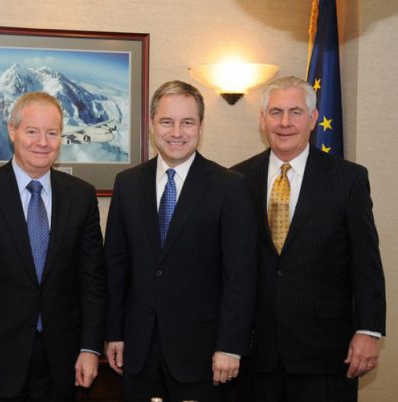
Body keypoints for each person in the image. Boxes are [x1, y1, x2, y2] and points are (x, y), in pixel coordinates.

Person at [232, 75, 386, 402]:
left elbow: (367, 263)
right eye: (275, 112)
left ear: (313, 119)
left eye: (295, 112)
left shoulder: (348, 179)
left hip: (326, 356)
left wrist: (369, 331)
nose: (285, 122)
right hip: (256, 358)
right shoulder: (235, 180)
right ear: (262, 119)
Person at [0, 92, 107, 401]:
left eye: (52, 132)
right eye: (32, 131)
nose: (42, 142)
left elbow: (93, 281)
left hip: (62, 362)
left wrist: (89, 347)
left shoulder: (81, 196)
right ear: (12, 131)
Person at [104, 80, 257, 402]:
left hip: (203, 355)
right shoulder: (128, 183)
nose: (176, 132)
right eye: (166, 121)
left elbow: (240, 276)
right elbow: (116, 266)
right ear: (151, 125)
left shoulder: (229, 187)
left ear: (201, 126)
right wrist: (113, 332)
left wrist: (230, 345)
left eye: (187, 122)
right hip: (138, 351)